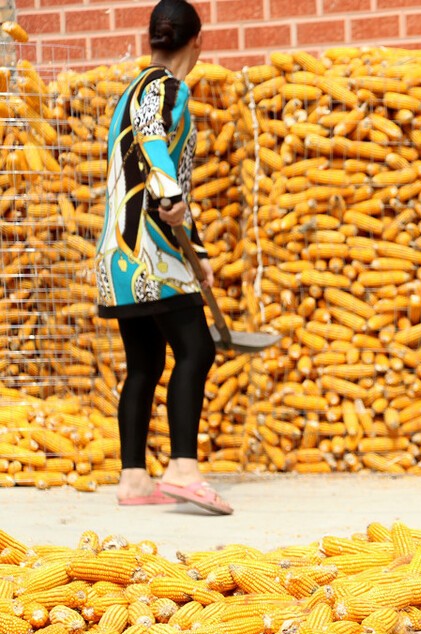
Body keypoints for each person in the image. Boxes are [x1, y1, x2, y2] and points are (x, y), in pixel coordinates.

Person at [94, 0, 230, 515]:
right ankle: (183, 469)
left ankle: (133, 480)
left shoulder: (127, 93)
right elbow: (159, 154)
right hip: (151, 256)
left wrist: (198, 251)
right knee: (198, 352)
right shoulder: (166, 88)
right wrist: (171, 196)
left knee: (145, 364)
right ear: (198, 41)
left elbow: (163, 179)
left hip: (118, 260)